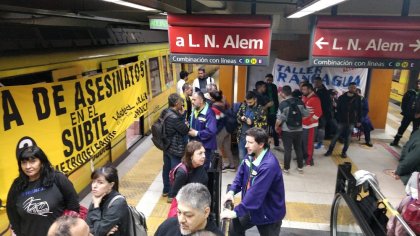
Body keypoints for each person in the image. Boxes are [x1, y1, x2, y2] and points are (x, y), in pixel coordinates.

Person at [6, 137, 80, 236]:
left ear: (42, 162)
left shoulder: (57, 178)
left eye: (33, 161)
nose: (28, 166)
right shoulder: (17, 185)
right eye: (24, 162)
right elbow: (12, 214)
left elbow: (73, 206)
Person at [221, 127, 285, 236]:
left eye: (250, 142)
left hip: (268, 214)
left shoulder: (268, 166)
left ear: (261, 144)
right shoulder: (251, 155)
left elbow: (256, 193)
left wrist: (236, 212)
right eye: (246, 142)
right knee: (234, 230)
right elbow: (240, 175)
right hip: (250, 207)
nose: (246, 145)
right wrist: (232, 191)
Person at [155, 183, 224, 236]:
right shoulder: (167, 226)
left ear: (206, 212)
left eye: (188, 215)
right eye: (179, 212)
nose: (181, 220)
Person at [161, 93, 189, 199]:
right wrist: (183, 117)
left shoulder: (165, 112)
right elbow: (184, 130)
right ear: (177, 103)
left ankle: (166, 190)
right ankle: (172, 195)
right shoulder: (174, 117)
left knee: (166, 169)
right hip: (175, 148)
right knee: (175, 171)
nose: (182, 105)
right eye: (181, 103)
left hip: (166, 146)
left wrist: (180, 116)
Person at [86, 166, 129, 236]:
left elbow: (98, 232)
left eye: (100, 183)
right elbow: (87, 224)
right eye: (93, 182)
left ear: (111, 185)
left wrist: (96, 206)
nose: (94, 186)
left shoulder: (118, 203)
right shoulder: (98, 197)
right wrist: (101, 231)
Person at [275, 85, 309, 173]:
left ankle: (286, 169)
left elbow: (279, 119)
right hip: (299, 130)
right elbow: (307, 114)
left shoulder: (283, 104)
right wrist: (299, 120)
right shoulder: (300, 102)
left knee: (287, 149)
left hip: (287, 131)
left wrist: (276, 127)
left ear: (283, 93)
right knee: (298, 148)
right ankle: (300, 167)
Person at [325, 82, 362, 158]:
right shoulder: (342, 97)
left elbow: (360, 110)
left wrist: (359, 121)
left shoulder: (358, 98)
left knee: (348, 137)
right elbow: (338, 109)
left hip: (351, 121)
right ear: (348, 88)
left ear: (355, 89)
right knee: (336, 136)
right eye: (351, 87)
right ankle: (330, 151)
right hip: (342, 120)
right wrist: (339, 117)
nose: (352, 89)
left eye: (354, 87)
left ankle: (344, 152)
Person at [189, 91, 217, 170]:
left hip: (205, 148)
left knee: (203, 169)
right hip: (196, 145)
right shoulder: (195, 110)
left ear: (201, 101)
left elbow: (211, 131)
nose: (192, 102)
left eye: (194, 100)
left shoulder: (209, 113)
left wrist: (196, 133)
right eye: (192, 99)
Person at [236, 91, 267, 160]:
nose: (248, 104)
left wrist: (252, 122)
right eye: (247, 102)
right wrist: (241, 118)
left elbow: (263, 125)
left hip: (254, 138)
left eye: (250, 102)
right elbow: (238, 116)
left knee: (252, 158)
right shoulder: (243, 106)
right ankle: (243, 170)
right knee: (241, 157)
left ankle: (251, 170)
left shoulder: (261, 110)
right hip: (242, 136)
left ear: (255, 99)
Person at [209, 91, 235, 171]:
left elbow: (218, 119)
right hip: (228, 128)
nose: (209, 98)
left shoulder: (214, 106)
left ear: (213, 98)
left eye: (211, 97)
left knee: (217, 147)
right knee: (227, 148)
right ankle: (232, 165)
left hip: (221, 129)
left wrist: (216, 131)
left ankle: (221, 166)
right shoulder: (225, 104)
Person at [390, 80, 420, 146]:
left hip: (417, 116)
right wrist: (405, 111)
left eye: (419, 84)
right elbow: (404, 102)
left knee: (415, 131)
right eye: (417, 83)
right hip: (408, 114)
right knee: (402, 128)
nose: (418, 85)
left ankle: (410, 144)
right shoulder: (410, 92)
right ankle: (396, 141)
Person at [301, 83, 322, 166]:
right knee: (303, 142)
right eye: (302, 89)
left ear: (310, 89)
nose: (302, 91)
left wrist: (309, 121)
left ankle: (309, 160)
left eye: (304, 89)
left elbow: (318, 113)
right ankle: (304, 156)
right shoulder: (304, 97)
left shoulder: (315, 99)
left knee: (309, 144)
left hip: (310, 126)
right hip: (303, 125)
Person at [313, 76, 333, 146]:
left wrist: (323, 114)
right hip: (314, 113)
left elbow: (327, 105)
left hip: (323, 113)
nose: (316, 83)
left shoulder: (325, 92)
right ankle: (315, 140)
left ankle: (320, 142)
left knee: (321, 128)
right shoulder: (314, 90)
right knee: (315, 127)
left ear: (321, 82)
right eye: (315, 82)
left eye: (317, 82)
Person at [265, 74, 281, 150]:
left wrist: (277, 108)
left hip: (274, 111)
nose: (269, 81)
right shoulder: (263, 86)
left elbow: (276, 98)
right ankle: (265, 144)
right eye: (268, 80)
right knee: (265, 129)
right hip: (266, 112)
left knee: (275, 128)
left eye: (270, 80)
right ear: (265, 79)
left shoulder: (274, 86)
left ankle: (277, 144)